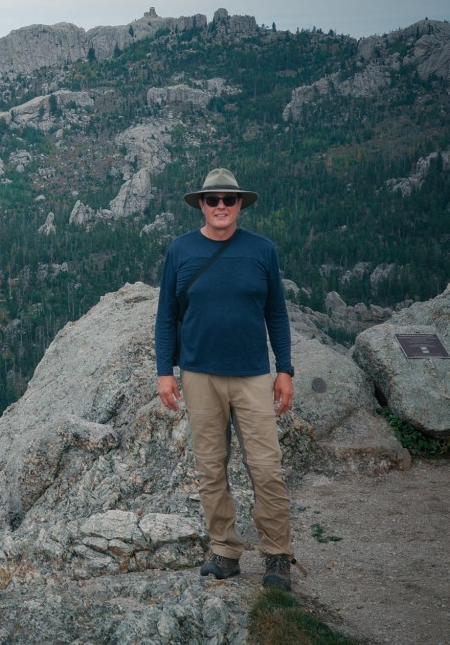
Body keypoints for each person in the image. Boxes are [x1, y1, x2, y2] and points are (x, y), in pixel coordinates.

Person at [154, 167, 298, 591]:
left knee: (266, 467)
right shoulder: (180, 251)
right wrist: (165, 372)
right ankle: (225, 550)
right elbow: (165, 316)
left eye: (228, 200)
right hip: (198, 374)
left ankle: (277, 556)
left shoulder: (262, 251)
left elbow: (276, 313)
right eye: (212, 200)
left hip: (253, 374)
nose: (220, 207)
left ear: (240, 205)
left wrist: (285, 369)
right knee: (210, 468)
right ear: (201, 204)